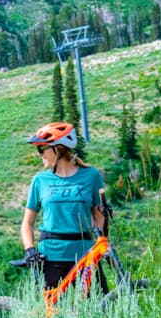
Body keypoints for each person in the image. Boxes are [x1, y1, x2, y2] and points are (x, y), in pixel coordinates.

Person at [20, 122, 105, 288]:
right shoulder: (40, 180)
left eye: (41, 149)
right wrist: (29, 250)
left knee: (101, 307)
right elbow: (27, 223)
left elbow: (98, 216)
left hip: (85, 255)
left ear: (57, 148)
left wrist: (99, 245)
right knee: (50, 312)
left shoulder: (91, 176)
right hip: (51, 256)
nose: (40, 154)